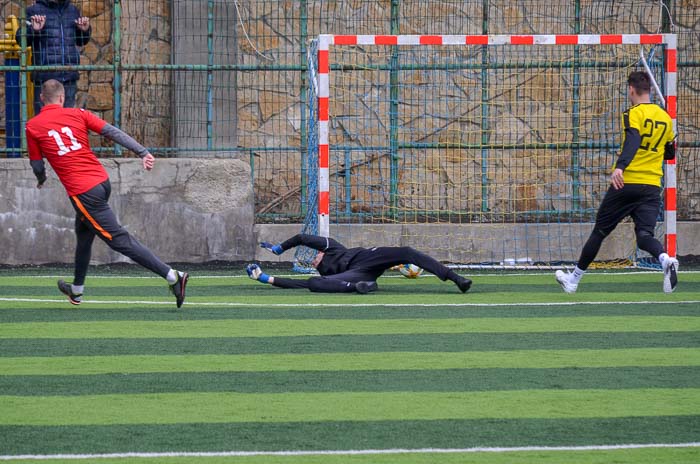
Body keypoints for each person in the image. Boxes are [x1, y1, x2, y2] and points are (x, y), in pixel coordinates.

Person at [26, 80, 189, 307]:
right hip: (101, 182)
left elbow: (36, 165)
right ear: (62, 98)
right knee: (83, 233)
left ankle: (173, 276)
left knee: (117, 239)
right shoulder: (78, 114)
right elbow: (111, 131)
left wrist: (41, 179)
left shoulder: (33, 125)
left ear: (41, 98)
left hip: (83, 192)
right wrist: (142, 152)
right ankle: (77, 290)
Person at [555, 71, 678, 294]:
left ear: (631, 89)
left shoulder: (633, 114)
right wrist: (668, 138)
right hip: (651, 186)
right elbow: (670, 153)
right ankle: (665, 259)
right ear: (649, 90)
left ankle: (573, 280)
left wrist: (620, 166)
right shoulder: (666, 118)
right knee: (644, 237)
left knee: (600, 231)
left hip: (627, 183)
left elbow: (633, 140)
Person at [246, 233, 472, 294]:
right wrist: (266, 279)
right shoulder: (322, 271)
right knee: (315, 283)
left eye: (314, 256)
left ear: (321, 252)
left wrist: (279, 249)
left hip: (365, 258)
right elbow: (305, 284)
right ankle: (364, 287)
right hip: (356, 276)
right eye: (312, 261)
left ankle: (455, 278)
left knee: (406, 251)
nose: (313, 259)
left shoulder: (332, 246)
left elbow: (302, 238)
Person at [17, 0, 91, 114]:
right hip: (44, 76)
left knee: (67, 120)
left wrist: (85, 30)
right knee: (44, 121)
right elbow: (20, 40)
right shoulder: (33, 11)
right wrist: (33, 30)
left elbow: (81, 41)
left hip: (68, 76)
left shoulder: (73, 11)